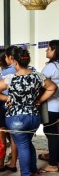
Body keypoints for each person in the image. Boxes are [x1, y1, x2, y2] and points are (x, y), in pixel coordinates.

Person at [0, 47, 57, 176]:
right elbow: (52, 87)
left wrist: (9, 98)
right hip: (33, 117)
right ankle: (33, 170)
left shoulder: (11, 78)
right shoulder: (37, 76)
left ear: (15, 62)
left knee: (23, 145)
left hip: (16, 118)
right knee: (27, 143)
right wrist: (38, 100)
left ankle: (26, 173)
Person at [38, 40, 59, 173]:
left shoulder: (51, 67)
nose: (46, 51)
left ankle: (52, 164)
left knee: (51, 133)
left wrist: (37, 100)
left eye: (48, 49)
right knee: (55, 133)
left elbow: (40, 84)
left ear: (54, 50)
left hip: (51, 106)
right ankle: (54, 156)